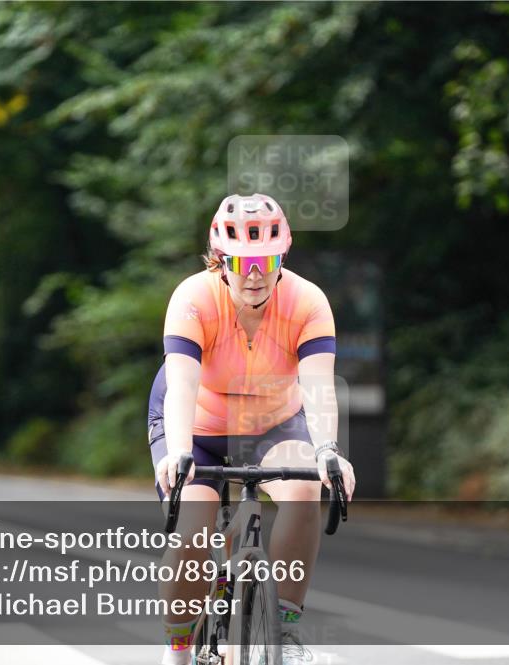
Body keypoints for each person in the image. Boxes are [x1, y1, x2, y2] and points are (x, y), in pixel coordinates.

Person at [148, 194, 356, 665]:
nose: (255, 274)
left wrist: (327, 449)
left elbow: (319, 384)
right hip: (196, 424)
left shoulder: (307, 301)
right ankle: (178, 649)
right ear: (220, 260)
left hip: (274, 423)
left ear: (283, 255)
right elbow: (181, 385)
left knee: (306, 489)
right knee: (194, 534)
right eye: (242, 262)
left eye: (267, 260)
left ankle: (282, 630)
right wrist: (178, 452)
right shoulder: (193, 298)